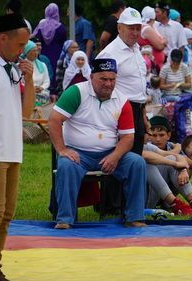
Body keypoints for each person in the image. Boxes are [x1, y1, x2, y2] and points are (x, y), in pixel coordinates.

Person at [48, 58, 146, 229]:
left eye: (112, 79)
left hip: (109, 152)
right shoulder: (76, 92)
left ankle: (134, 217)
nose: (108, 84)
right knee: (66, 165)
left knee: (136, 162)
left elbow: (128, 137)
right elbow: (55, 120)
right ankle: (64, 220)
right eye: (103, 79)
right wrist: (62, 149)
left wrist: (115, 156)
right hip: (78, 153)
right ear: (91, 77)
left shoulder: (122, 101)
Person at [0, 13, 35, 281]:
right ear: (2, 38)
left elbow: (26, 113)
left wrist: (29, 80)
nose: (23, 50)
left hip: (12, 150)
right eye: (20, 44)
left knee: (6, 214)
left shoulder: (10, 68)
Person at [97, 7, 148, 155]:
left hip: (137, 110)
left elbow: (138, 84)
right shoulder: (109, 53)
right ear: (119, 28)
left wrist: (143, 113)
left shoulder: (136, 48)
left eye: (138, 28)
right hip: (118, 111)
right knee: (119, 158)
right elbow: (97, 87)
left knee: (136, 155)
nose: (135, 33)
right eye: (131, 28)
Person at [143, 116, 192, 216]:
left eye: (161, 135)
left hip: (166, 192)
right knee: (166, 160)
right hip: (149, 195)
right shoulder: (147, 146)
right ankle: (177, 204)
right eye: (154, 135)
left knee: (176, 162)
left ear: (168, 135)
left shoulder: (171, 145)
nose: (158, 139)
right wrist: (176, 157)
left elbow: (191, 162)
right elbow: (151, 156)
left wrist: (183, 170)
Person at [32, 3, 67, 77]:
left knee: (45, 68)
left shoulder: (41, 26)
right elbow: (64, 43)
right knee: (55, 70)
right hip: (58, 53)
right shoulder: (60, 27)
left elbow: (35, 39)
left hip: (43, 52)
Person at [22, 40, 50, 106]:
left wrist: (41, 88)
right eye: (33, 51)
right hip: (27, 95)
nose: (36, 53)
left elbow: (47, 81)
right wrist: (32, 88)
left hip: (42, 96)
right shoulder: (21, 65)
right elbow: (21, 83)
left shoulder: (42, 65)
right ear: (27, 52)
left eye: (36, 50)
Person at [139, 6, 167, 71]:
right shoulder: (147, 29)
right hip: (152, 65)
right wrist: (164, 41)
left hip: (155, 64)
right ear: (153, 17)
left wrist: (163, 41)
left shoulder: (150, 27)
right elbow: (159, 46)